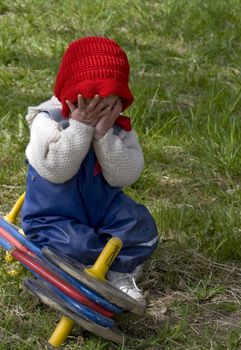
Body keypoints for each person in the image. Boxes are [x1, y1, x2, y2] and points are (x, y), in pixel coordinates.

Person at [21, 36, 158, 305]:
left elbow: (125, 176)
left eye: (108, 106)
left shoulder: (117, 128)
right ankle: (78, 272)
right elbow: (56, 170)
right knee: (74, 246)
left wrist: (103, 137)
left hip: (101, 210)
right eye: (91, 106)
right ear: (71, 98)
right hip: (54, 217)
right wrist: (80, 129)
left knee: (140, 225)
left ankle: (119, 272)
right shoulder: (46, 122)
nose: (99, 114)